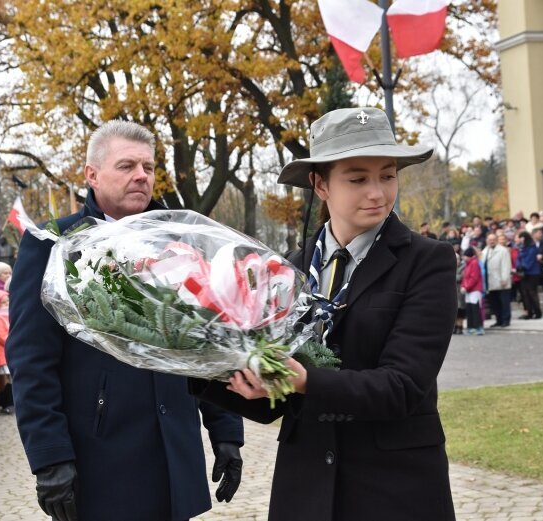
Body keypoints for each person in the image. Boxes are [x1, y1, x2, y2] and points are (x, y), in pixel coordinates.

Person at [193, 107, 457, 521]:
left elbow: (403, 386)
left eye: (387, 176)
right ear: (320, 184)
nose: (378, 192)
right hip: (307, 489)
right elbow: (273, 406)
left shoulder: (428, 262)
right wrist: (199, 361)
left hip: (396, 490)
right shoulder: (287, 270)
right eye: (357, 179)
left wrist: (304, 381)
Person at [6, 120, 244, 521]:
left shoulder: (178, 242)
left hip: (172, 447)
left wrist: (226, 431)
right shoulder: (53, 245)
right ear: (92, 174)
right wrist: (49, 455)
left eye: (148, 168)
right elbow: (31, 358)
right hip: (101, 455)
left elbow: (208, 344)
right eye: (127, 166)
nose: (141, 176)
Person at [482, 233, 512, 328]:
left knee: (504, 302)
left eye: (493, 239)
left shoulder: (503, 251)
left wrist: (504, 278)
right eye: (489, 239)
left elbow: (506, 266)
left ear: (497, 240)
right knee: (495, 303)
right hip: (490, 282)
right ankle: (498, 320)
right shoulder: (485, 251)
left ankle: (506, 320)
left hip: (501, 281)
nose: (491, 241)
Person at [516, 231, 542, 319]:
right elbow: (518, 258)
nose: (520, 240)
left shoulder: (532, 247)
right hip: (524, 273)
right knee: (525, 293)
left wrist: (523, 266)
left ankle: (537, 312)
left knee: (532, 292)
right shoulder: (522, 247)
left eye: (521, 238)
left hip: (532, 272)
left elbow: (530, 259)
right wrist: (518, 266)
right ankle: (529, 312)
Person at [461, 247, 485, 335]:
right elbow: (465, 277)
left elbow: (474, 278)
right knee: (470, 309)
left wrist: (466, 287)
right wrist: (464, 286)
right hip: (469, 290)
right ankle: (471, 327)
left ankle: (478, 327)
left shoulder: (474, 263)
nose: (464, 258)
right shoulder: (468, 264)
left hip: (475, 290)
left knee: (475, 309)